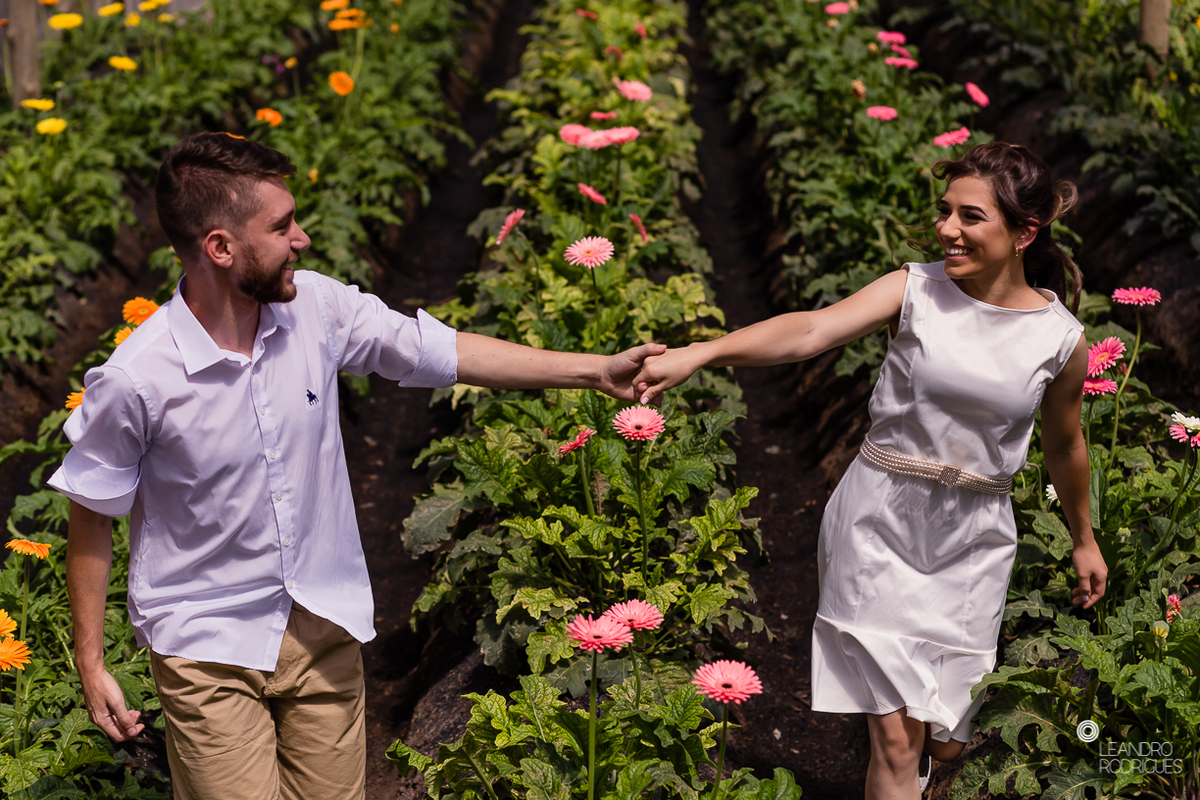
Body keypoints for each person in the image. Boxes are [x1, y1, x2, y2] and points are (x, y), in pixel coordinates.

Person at [49, 132, 665, 800]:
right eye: (281, 227)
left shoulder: (317, 308)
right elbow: (92, 510)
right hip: (207, 646)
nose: (302, 239)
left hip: (322, 624)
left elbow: (440, 352)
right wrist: (91, 661)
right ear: (220, 247)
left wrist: (594, 371)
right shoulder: (138, 377)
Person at [633, 141, 1107, 799]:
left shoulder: (1059, 338)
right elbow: (810, 331)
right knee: (896, 741)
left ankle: (919, 765)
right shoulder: (915, 289)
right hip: (879, 521)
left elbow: (1065, 444)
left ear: (1024, 233)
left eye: (970, 217)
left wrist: (1084, 538)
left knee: (946, 739)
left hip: (974, 541)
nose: (946, 229)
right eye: (945, 211)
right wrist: (703, 352)